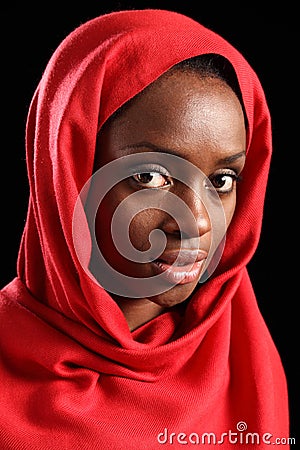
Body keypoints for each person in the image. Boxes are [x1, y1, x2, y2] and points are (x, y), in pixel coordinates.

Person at [0, 8, 290, 449]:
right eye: (151, 176)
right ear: (68, 170)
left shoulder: (247, 363)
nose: (197, 222)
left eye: (222, 181)